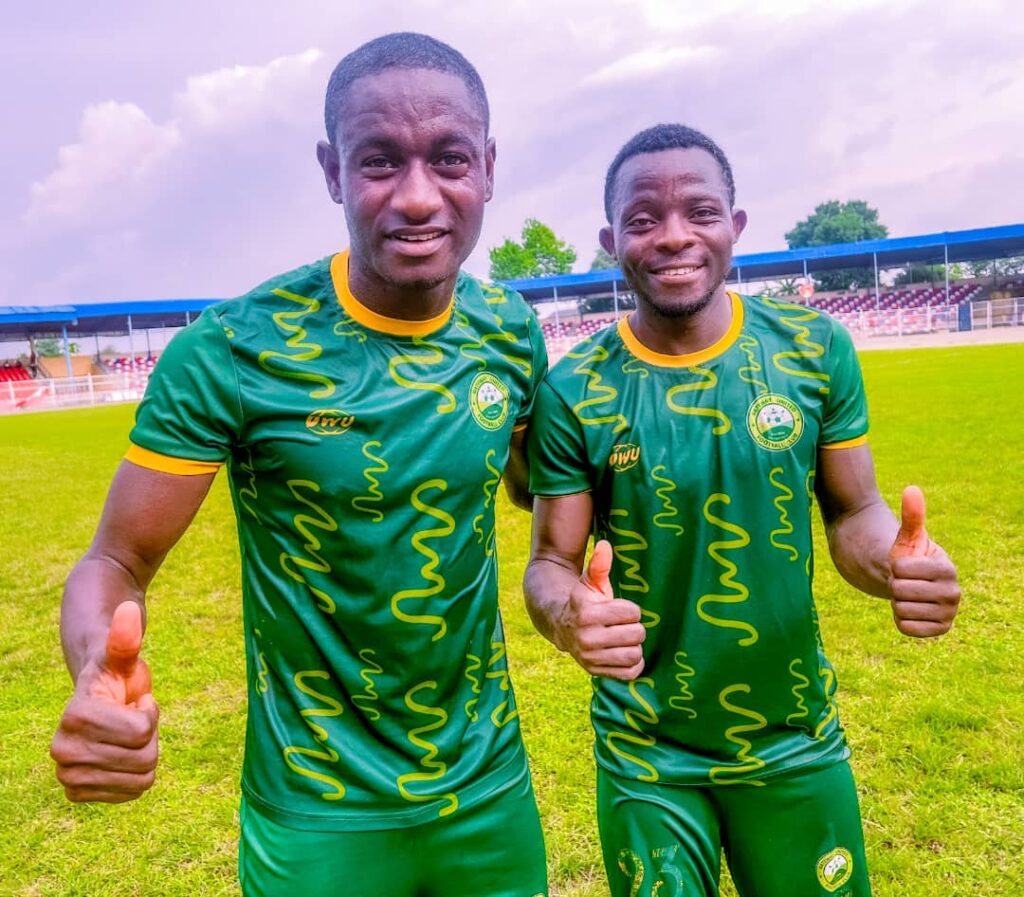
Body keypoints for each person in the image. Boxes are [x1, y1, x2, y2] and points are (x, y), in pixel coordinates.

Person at [50, 32, 549, 897]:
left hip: (490, 791)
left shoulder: (510, 333)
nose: (418, 196)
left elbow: (533, 487)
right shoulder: (234, 348)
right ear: (332, 171)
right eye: (380, 161)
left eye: (450, 159)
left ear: (489, 167)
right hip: (316, 811)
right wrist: (97, 669)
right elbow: (116, 560)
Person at [523, 123, 960, 897]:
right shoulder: (575, 389)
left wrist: (897, 564)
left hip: (793, 738)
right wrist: (568, 617)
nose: (673, 236)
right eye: (643, 219)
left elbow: (854, 511)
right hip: (646, 750)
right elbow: (552, 563)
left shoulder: (813, 348)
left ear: (735, 224)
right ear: (611, 241)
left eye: (699, 211)